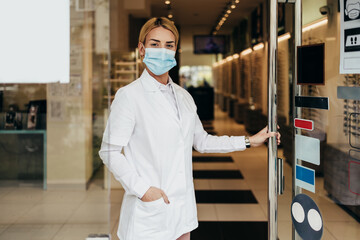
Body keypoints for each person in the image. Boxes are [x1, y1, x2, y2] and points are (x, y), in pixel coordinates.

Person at [99, 17, 281, 240]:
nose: (162, 51)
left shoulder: (183, 96)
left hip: (182, 210)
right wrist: (143, 190)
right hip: (149, 213)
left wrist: (248, 141)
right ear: (141, 49)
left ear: (176, 50)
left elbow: (202, 141)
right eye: (155, 44)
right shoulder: (129, 96)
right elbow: (109, 151)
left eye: (169, 45)